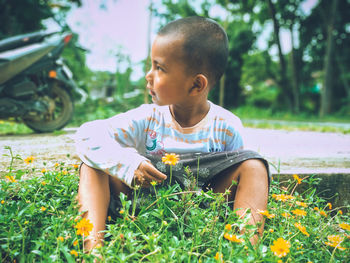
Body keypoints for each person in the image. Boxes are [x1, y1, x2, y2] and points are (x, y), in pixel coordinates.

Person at [75, 16, 269, 251]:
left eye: (159, 68)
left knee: (254, 165)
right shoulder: (147, 117)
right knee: (91, 164)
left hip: (201, 209)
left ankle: (244, 252)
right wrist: (128, 163)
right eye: (151, 66)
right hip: (144, 203)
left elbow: (237, 180)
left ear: (196, 85)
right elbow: (87, 134)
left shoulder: (226, 126)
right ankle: (92, 251)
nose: (149, 75)